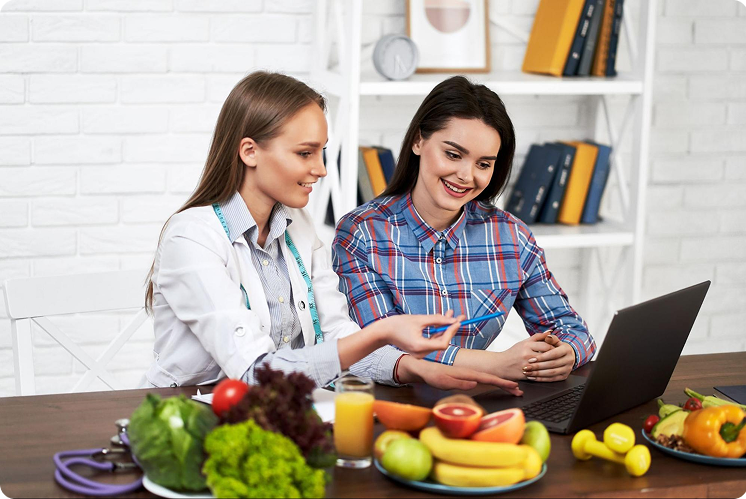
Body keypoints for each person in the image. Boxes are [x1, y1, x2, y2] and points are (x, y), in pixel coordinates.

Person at [141, 71, 521, 395]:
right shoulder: (191, 237)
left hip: (279, 414)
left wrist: (410, 367)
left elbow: (336, 333)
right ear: (250, 151)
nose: (322, 169)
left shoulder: (296, 226)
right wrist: (382, 332)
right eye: (306, 153)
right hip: (189, 421)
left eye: (323, 152)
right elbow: (257, 373)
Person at [333, 76, 597, 387]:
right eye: (454, 155)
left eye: (483, 164)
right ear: (418, 141)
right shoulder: (362, 234)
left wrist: (565, 352)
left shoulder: (510, 237)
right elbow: (382, 351)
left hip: (476, 405)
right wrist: (500, 364)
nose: (465, 176)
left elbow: (573, 330)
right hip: (389, 406)